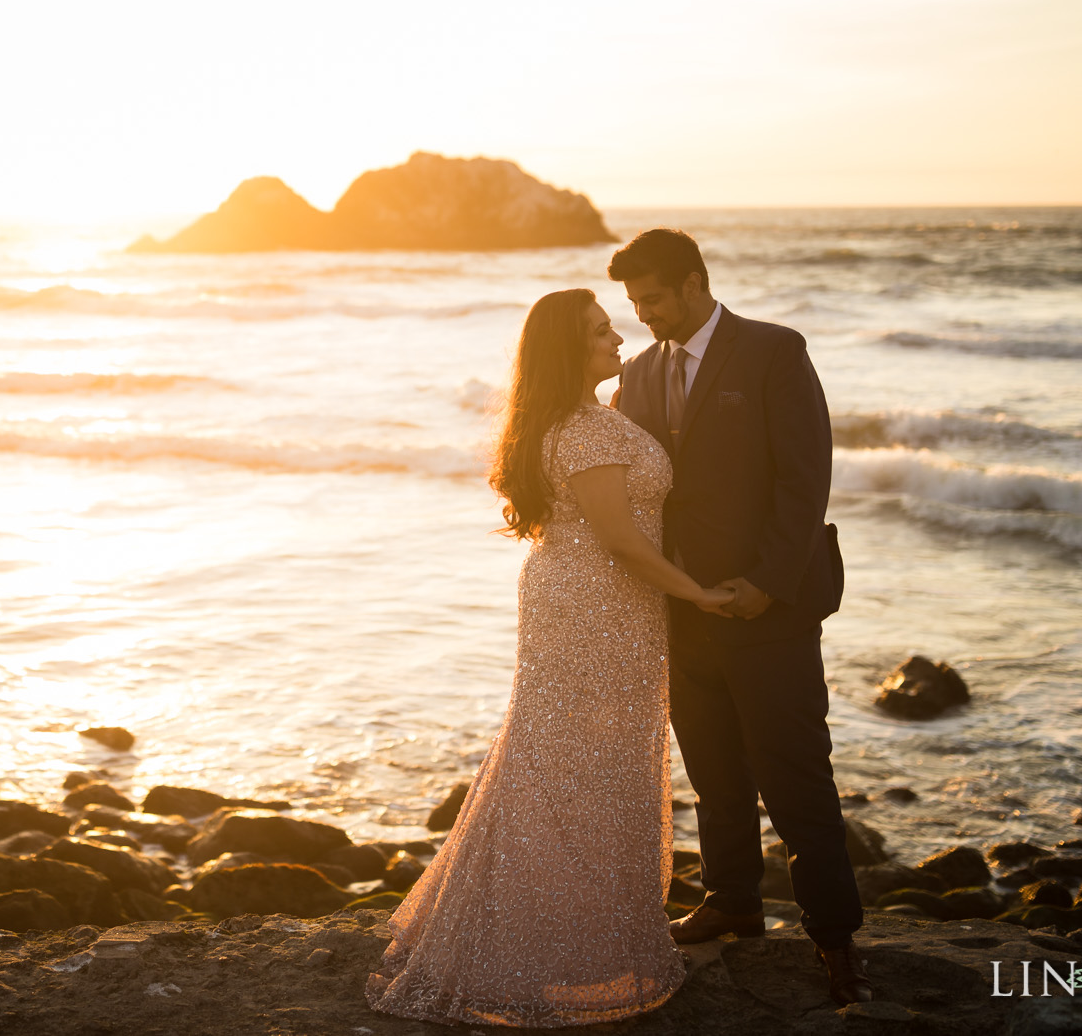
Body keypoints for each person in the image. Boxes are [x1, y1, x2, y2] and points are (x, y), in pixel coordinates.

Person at [367, 289, 736, 1027]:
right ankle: (544, 953)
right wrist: (699, 593)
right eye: (601, 331)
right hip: (593, 607)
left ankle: (569, 943)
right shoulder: (587, 431)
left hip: (599, 602)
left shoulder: (582, 421)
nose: (617, 338)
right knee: (577, 768)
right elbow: (622, 540)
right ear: (570, 350)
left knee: (573, 763)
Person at [606, 228, 869, 1007]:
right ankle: (733, 899)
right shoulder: (638, 374)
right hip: (683, 612)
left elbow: (804, 477)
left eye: (652, 297)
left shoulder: (774, 351)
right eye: (634, 302)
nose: (643, 314)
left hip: (770, 611)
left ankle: (835, 933)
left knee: (795, 776)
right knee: (714, 771)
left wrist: (767, 581)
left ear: (692, 283)